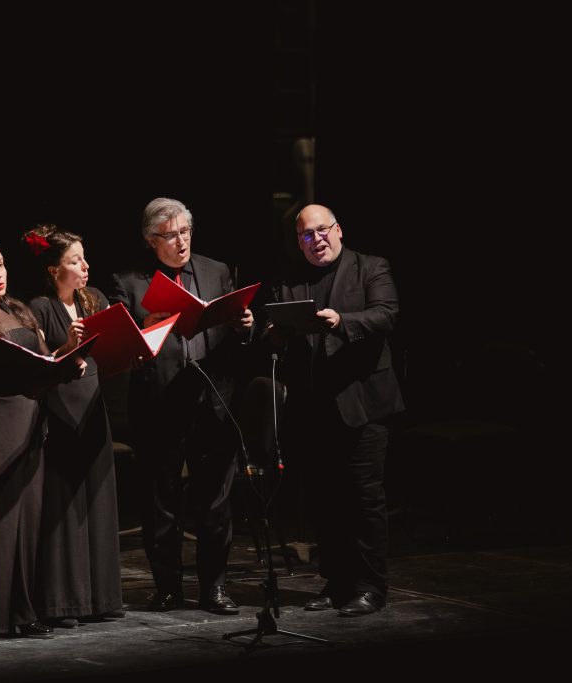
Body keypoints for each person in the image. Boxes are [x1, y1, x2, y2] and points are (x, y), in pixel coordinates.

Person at [109, 197, 253, 614]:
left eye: (185, 232)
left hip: (213, 400)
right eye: (170, 235)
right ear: (151, 240)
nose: (181, 241)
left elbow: (237, 329)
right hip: (160, 403)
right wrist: (147, 327)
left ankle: (215, 589)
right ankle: (168, 588)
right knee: (161, 504)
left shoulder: (216, 270)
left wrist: (245, 325)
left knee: (215, 503)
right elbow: (125, 343)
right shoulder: (130, 281)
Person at [259, 203, 404, 616]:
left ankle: (370, 585)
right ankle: (337, 582)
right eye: (306, 234)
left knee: (364, 499)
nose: (316, 239)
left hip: (363, 403)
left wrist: (343, 321)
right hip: (313, 406)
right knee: (325, 500)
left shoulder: (370, 267)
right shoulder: (290, 278)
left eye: (322, 230)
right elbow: (278, 334)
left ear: (339, 230)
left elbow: (386, 314)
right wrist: (272, 333)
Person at [0, 234, 83, 647]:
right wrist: (35, 370)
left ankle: (23, 613)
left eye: (1, 264)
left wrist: (69, 354)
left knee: (27, 524)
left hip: (27, 427)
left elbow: (44, 362)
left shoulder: (20, 310)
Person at [22, 225, 124, 629]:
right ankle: (65, 602)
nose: (85, 266)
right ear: (53, 269)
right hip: (61, 409)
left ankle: (101, 596)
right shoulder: (39, 307)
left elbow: (112, 346)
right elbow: (41, 364)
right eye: (74, 260)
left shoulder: (93, 299)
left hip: (92, 404)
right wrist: (65, 348)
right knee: (65, 507)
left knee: (97, 501)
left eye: (84, 258)